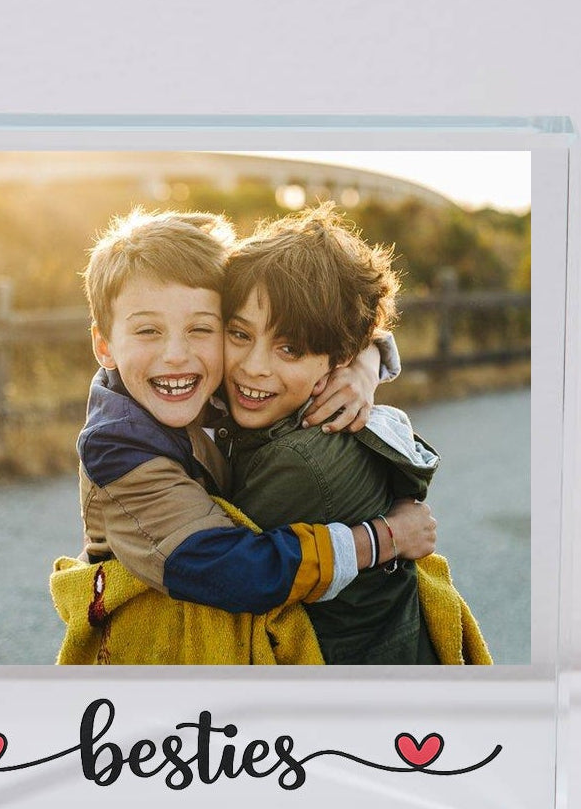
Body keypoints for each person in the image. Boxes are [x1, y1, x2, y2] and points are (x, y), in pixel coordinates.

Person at [50, 207, 437, 663]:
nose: (176, 354)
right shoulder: (117, 445)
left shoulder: (212, 376)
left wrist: (364, 364)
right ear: (104, 346)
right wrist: (382, 539)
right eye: (148, 330)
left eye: (201, 328)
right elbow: (227, 568)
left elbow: (317, 319)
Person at [218, 203, 490, 665]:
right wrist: (371, 356)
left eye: (289, 348)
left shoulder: (301, 462)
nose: (253, 366)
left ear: (336, 359)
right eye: (239, 335)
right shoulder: (302, 398)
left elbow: (208, 566)